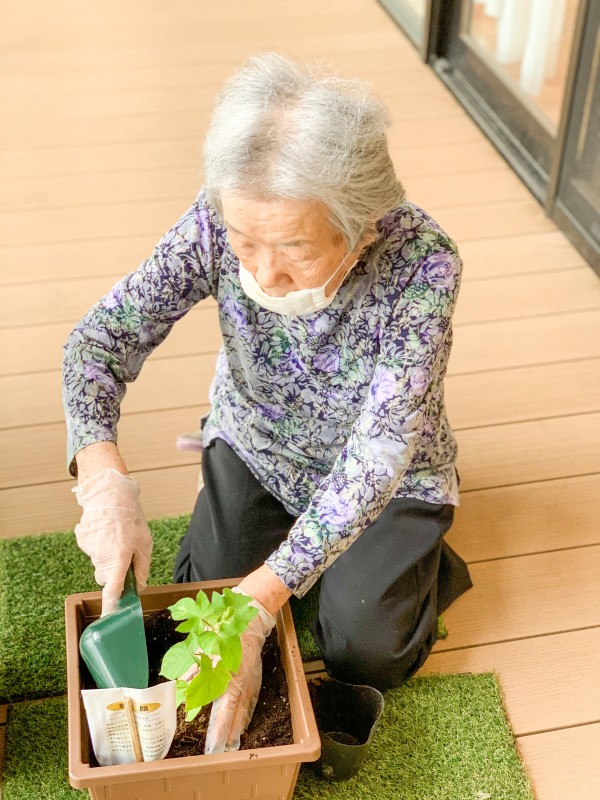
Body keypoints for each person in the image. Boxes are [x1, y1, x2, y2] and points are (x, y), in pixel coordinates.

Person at [63, 53, 472, 754]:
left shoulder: (423, 265)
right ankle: (296, 559)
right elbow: (100, 341)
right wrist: (103, 478)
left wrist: (261, 601)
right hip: (255, 442)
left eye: (294, 249)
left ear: (363, 223)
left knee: (367, 648)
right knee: (199, 602)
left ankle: (426, 561)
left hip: (386, 477)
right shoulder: (216, 217)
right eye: (245, 243)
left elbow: (380, 452)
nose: (262, 272)